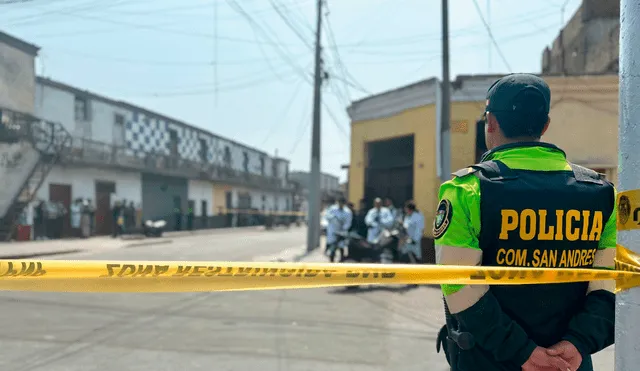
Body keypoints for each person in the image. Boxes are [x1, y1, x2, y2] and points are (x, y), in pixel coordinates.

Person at [434, 74, 615, 371]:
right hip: (569, 363)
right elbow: (609, 286)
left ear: (490, 123)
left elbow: (460, 288)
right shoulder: (602, 193)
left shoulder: (467, 189)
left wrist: (523, 352)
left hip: (489, 360)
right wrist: (577, 343)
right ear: (545, 125)